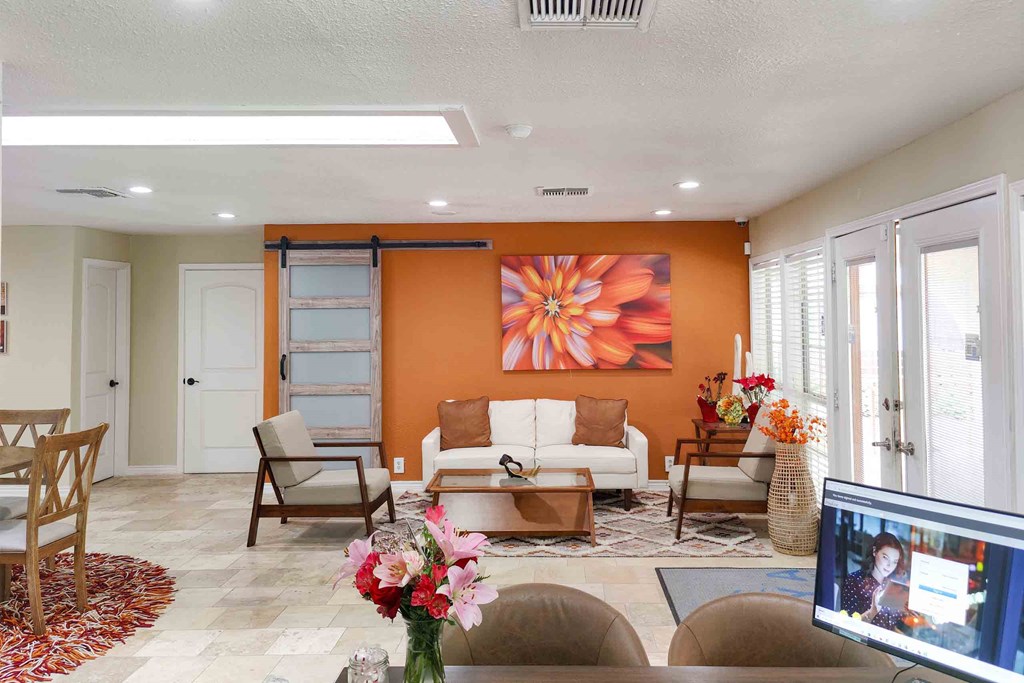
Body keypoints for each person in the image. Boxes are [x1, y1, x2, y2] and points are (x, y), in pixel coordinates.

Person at [840, 531, 907, 630]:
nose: (889, 566)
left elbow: (894, 625)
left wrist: (905, 612)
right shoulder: (854, 580)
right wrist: (872, 612)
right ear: (875, 551)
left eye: (894, 561)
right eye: (885, 558)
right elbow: (846, 625)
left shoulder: (893, 586)